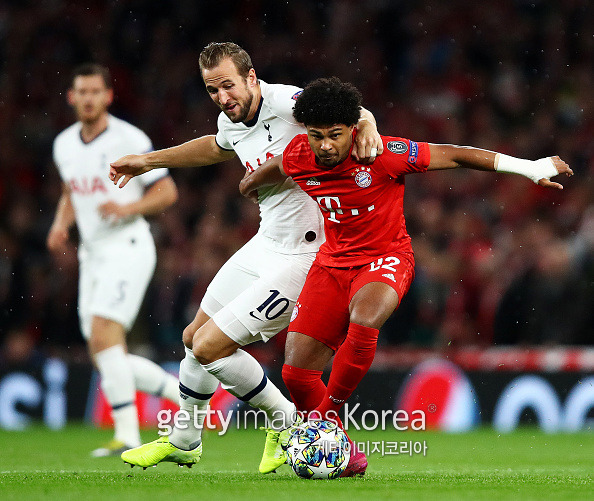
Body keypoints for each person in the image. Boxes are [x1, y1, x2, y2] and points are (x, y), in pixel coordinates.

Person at [239, 76, 573, 469]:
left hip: (386, 258)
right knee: (295, 372)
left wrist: (528, 167)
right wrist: (250, 183)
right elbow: (280, 164)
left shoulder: (381, 154)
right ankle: (344, 455)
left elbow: (456, 154)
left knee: (365, 318)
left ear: (353, 129)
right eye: (316, 136)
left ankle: (322, 419)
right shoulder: (301, 153)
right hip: (332, 263)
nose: (325, 145)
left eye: (334, 135)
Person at [109, 42, 382, 474]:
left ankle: (287, 423)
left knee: (211, 348)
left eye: (228, 86)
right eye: (212, 89)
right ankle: (184, 441)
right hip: (265, 242)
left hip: (307, 254)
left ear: (252, 77)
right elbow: (217, 147)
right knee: (192, 338)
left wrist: (367, 124)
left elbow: (347, 111)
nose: (222, 97)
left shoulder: (287, 102)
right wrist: (148, 160)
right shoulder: (230, 120)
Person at [48, 63, 180, 457]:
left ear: (108, 96)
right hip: (93, 252)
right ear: (72, 98)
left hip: (129, 245)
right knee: (104, 350)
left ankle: (127, 434)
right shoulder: (64, 144)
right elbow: (71, 191)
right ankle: (181, 392)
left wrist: (127, 209)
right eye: (81, 92)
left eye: (95, 91)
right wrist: (60, 224)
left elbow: (167, 192)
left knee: (106, 331)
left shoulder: (131, 138)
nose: (88, 98)